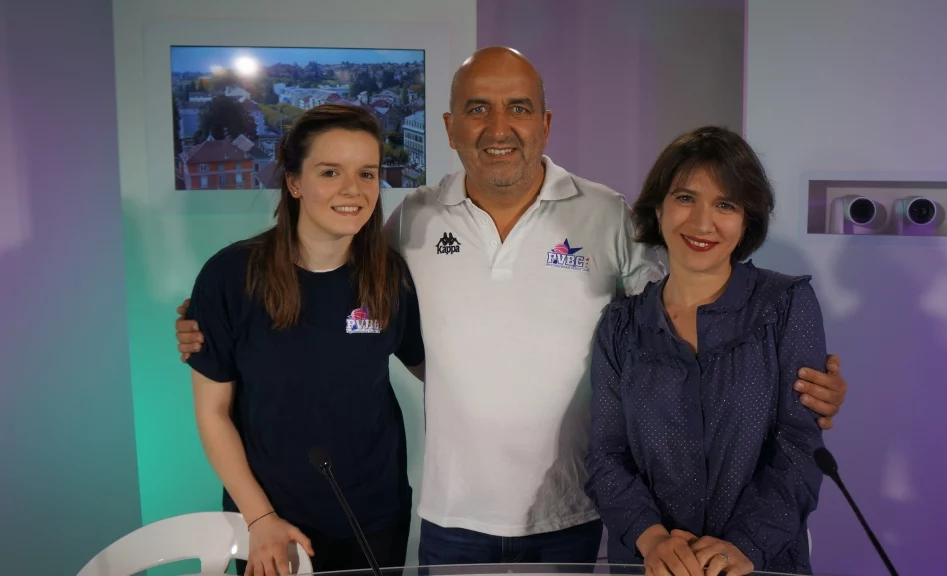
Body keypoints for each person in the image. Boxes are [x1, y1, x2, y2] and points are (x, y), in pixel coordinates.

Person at [175, 47, 849, 566]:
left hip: (575, 509)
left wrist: (795, 381)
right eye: (478, 108)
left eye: (519, 108)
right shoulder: (411, 222)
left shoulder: (607, 214)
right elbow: (335, 289)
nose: (499, 127)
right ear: (449, 126)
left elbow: (683, 308)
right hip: (451, 516)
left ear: (545, 122)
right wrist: (211, 320)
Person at [183, 104, 425, 576]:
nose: (353, 189)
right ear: (294, 182)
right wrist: (260, 518)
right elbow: (213, 414)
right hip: (269, 522)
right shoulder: (231, 276)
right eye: (330, 172)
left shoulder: (390, 276)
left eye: (367, 173)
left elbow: (433, 367)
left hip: (375, 517)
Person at [584, 126, 828, 576]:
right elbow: (606, 456)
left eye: (725, 205)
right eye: (685, 198)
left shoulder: (785, 305)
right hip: (653, 566)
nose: (702, 222)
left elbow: (800, 446)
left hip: (759, 564)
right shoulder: (620, 327)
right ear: (658, 209)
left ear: (747, 220)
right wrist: (652, 538)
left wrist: (746, 544)